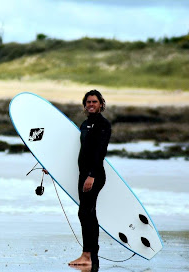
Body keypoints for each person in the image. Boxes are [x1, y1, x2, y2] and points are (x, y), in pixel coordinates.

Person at [69, 90, 111, 268]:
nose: (91, 105)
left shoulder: (103, 125)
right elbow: (78, 151)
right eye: (88, 102)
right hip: (84, 174)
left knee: (85, 212)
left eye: (94, 102)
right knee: (87, 213)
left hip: (94, 175)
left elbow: (100, 152)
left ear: (101, 104)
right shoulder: (85, 125)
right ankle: (91, 254)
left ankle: (88, 255)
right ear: (84, 105)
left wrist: (92, 176)